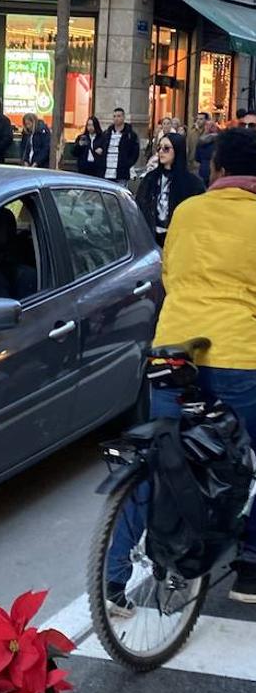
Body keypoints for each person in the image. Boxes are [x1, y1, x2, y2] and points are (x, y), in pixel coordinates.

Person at [151, 127, 256, 603]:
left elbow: (169, 273)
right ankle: (250, 567)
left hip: (174, 349)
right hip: (239, 353)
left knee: (169, 453)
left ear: (216, 169)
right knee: (246, 458)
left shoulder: (186, 211)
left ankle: (161, 553)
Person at [135, 132, 204, 247]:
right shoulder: (151, 178)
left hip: (179, 241)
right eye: (159, 148)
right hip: (151, 238)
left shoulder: (192, 183)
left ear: (177, 150)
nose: (161, 151)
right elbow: (140, 205)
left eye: (166, 148)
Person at [97, 107, 140, 187]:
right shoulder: (106, 133)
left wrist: (127, 164)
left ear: (123, 117)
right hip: (106, 172)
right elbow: (100, 146)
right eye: (114, 116)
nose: (116, 118)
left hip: (121, 173)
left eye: (119, 116)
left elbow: (135, 152)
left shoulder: (130, 135)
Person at [194, 120, 220, 187]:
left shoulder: (200, 141)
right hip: (215, 170)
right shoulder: (219, 141)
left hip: (203, 169)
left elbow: (197, 157)